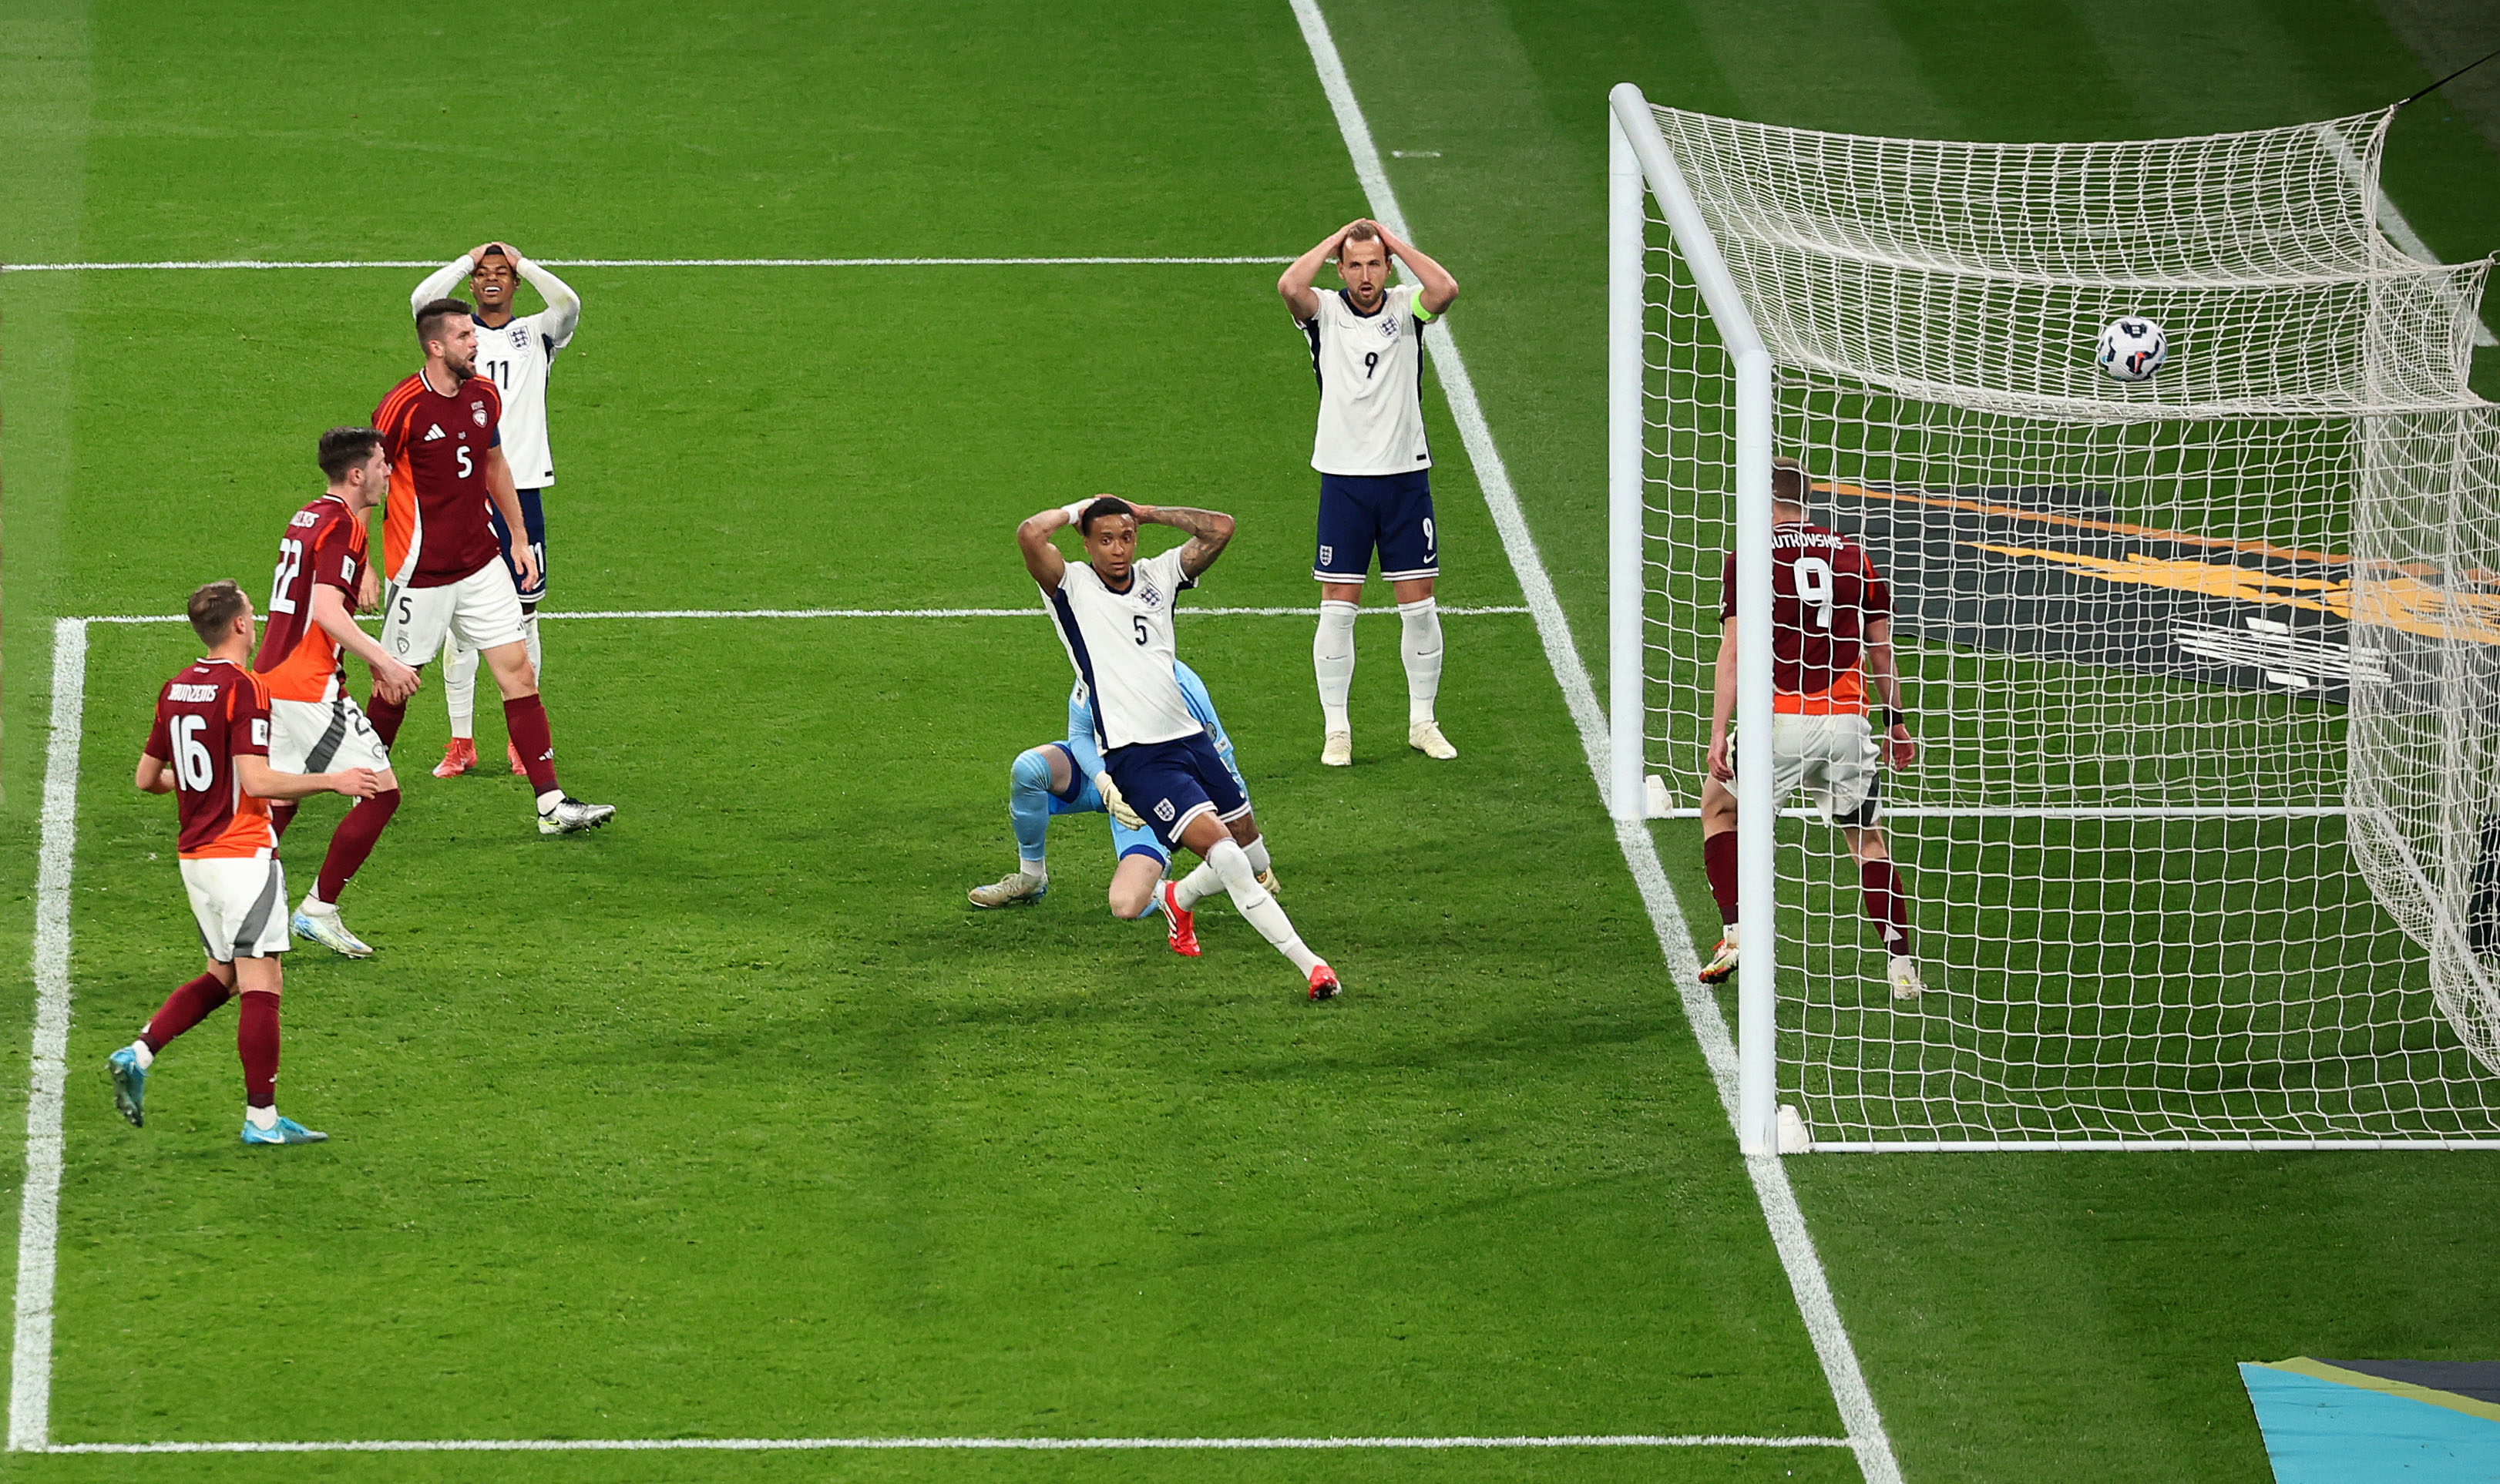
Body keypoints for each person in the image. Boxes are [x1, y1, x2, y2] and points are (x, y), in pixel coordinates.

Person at [1020, 495, 1339, 998]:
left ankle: (1178, 897)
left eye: (1126, 537)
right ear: (1085, 542)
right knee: (1229, 860)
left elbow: (1221, 527)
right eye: (1105, 539)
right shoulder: (1071, 586)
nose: (1119, 549)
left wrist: (1145, 511)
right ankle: (1314, 967)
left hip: (1190, 740)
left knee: (1254, 860)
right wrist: (1076, 506)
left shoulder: (1157, 575)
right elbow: (1030, 534)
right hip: (1137, 757)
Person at [108, 580, 382, 1144]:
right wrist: (334, 779)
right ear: (237, 626)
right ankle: (262, 1120)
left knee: (224, 975)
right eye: (253, 614)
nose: (257, 621)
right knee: (264, 981)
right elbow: (257, 780)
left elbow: (146, 778)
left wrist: (201, 786)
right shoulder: (246, 688)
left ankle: (139, 1053)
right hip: (241, 854)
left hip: (195, 858)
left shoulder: (176, 688)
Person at [369, 298, 613, 835]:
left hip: (482, 563)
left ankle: (551, 804)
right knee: (395, 685)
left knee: (518, 672)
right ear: (435, 347)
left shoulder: (483, 395)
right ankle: (361, 781)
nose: (475, 342)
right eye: (463, 337)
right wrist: (366, 564)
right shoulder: (402, 406)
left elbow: (495, 464)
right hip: (420, 572)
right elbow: (369, 481)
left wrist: (519, 539)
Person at [1698, 458, 1925, 999]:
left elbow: (1733, 652)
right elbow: (1881, 651)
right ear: (1807, 500)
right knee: (1866, 841)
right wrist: (1895, 722)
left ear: (1765, 500)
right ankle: (1902, 968)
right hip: (1847, 721)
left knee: (1719, 808)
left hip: (1779, 722)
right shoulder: (1854, 557)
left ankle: (1736, 933)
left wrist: (1717, 732)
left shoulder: (1747, 558)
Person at [1277, 217, 1460, 767]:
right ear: (1340, 267)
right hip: (1344, 480)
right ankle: (1338, 730)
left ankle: (1422, 722)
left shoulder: (1409, 308)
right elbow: (1290, 286)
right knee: (1337, 610)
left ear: (1388, 267)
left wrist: (1393, 240)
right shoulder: (1324, 315)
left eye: (1374, 263)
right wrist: (1336, 237)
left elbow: (1445, 290)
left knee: (1420, 607)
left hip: (1406, 478)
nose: (1364, 275)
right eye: (1354, 264)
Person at [408, 243, 580, 778]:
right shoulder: (460, 338)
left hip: (522, 490)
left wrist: (523, 260)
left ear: (516, 284)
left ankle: (519, 741)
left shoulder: (538, 334)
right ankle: (461, 741)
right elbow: (421, 302)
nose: (491, 280)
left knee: (525, 615)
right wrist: (464, 260)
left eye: (501, 274)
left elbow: (570, 303)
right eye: (483, 274)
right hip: (465, 493)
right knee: (462, 624)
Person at [254, 427, 422, 956]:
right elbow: (325, 611)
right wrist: (386, 661)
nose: (387, 474)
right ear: (356, 475)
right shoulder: (345, 527)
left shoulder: (306, 515)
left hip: (271, 677)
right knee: (381, 791)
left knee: (279, 798)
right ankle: (318, 909)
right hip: (308, 688)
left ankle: (250, 917)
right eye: (380, 465)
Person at [968, 657, 1279, 930]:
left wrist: (1251, 852)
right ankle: (1030, 879)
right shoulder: (1096, 665)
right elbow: (1079, 734)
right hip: (1105, 780)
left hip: (1152, 796)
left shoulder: (1181, 686)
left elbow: (1224, 768)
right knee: (1029, 768)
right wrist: (1104, 782)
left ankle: (1163, 887)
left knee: (1128, 905)